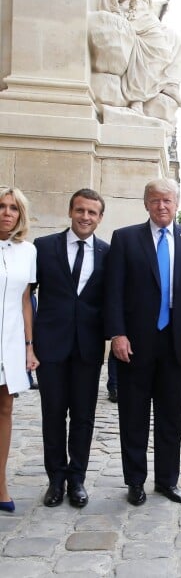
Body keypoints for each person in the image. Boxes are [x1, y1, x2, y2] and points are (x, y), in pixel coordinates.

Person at [106, 178, 181, 506]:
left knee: (170, 418)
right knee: (133, 416)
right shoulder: (125, 239)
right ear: (146, 203)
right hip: (134, 344)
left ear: (177, 203)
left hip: (176, 344)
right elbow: (114, 291)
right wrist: (117, 334)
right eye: (154, 200)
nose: (161, 206)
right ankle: (134, 482)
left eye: (167, 200)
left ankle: (167, 480)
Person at [34, 189, 109, 508]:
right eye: (80, 210)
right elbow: (24, 296)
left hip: (88, 348)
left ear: (100, 217)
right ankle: (55, 480)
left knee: (83, 416)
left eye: (92, 212)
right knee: (52, 415)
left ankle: (76, 479)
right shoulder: (43, 247)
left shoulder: (108, 253)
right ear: (70, 211)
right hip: (50, 346)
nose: (85, 217)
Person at [0, 186, 39, 513]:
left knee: (5, 410)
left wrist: (29, 346)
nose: (7, 213)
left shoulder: (27, 251)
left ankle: (0, 483)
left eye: (13, 208)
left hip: (11, 341)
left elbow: (27, 301)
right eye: (1, 206)